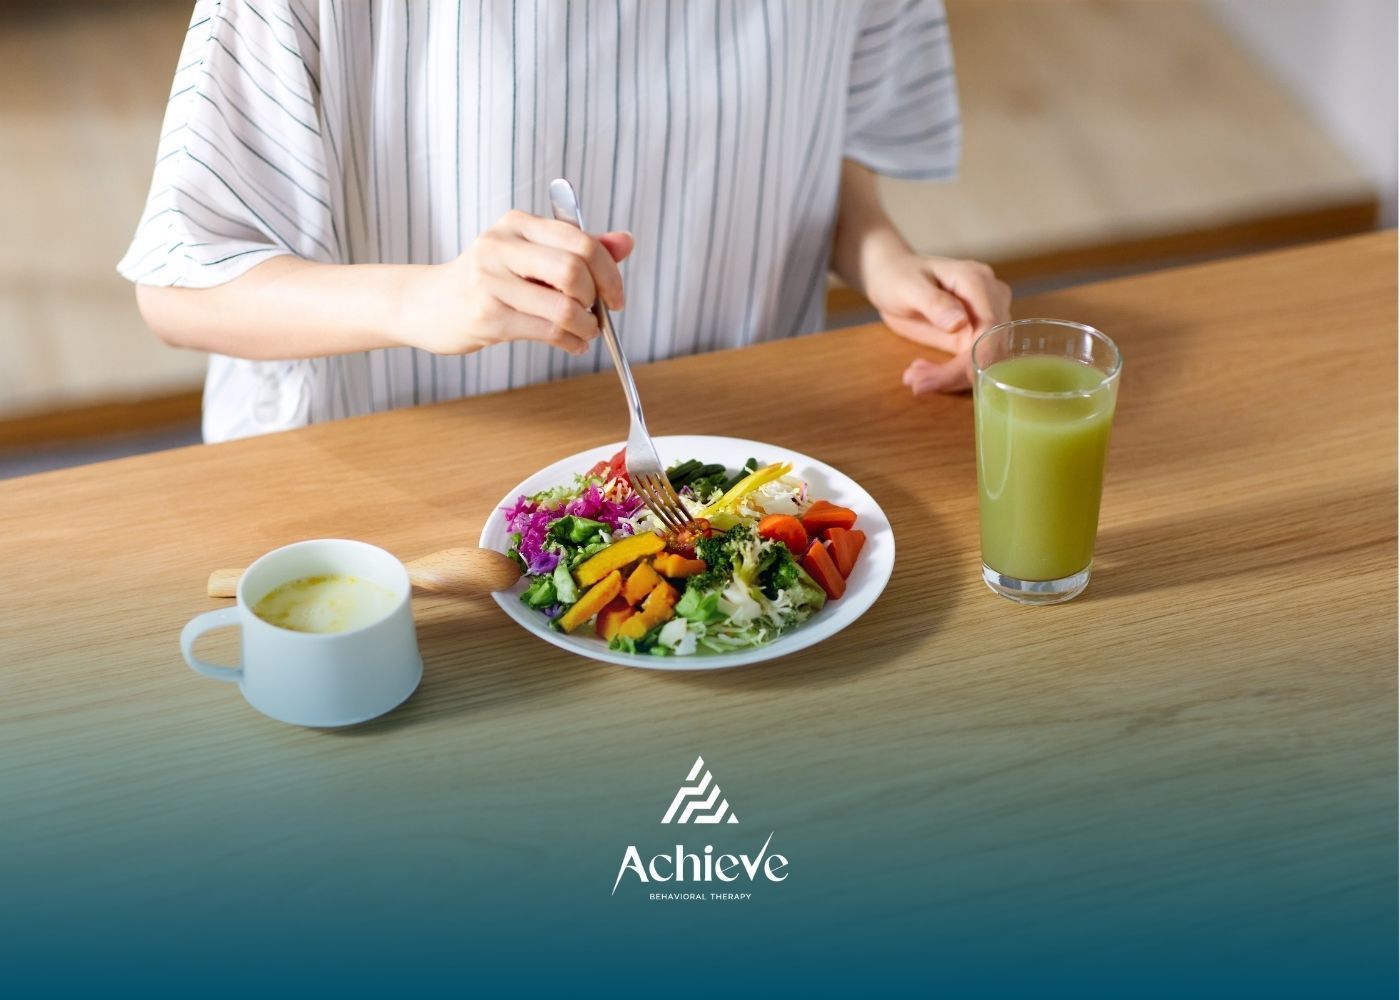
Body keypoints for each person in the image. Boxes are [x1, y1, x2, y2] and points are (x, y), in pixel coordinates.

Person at [120, 0, 1010, 442]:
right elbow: (180, 285)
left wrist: (880, 255)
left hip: (746, 454)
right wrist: (424, 301)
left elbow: (818, 127)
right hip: (411, 487)